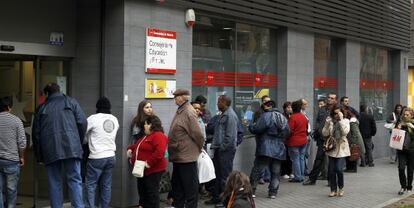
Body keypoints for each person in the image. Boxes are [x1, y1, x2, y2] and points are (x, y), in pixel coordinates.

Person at [32, 83, 87, 208]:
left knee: (54, 182)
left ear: (46, 94)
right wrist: (77, 141)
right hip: (72, 147)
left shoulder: (41, 108)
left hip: (50, 149)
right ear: (59, 90)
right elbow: (83, 122)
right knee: (75, 180)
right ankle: (78, 206)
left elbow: (36, 134)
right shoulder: (71, 102)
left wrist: (39, 155)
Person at [168, 89, 204, 208]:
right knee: (178, 188)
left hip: (186, 157)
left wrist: (198, 149)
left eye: (176, 96)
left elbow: (198, 134)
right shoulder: (181, 110)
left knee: (190, 189)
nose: (175, 99)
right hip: (179, 156)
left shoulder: (189, 111)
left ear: (183, 97)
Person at [248, 100, 290, 199]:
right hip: (279, 148)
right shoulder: (283, 118)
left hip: (265, 147)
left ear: (269, 106)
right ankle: (273, 193)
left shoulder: (266, 116)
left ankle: (251, 191)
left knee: (258, 169)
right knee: (276, 172)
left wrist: (250, 126)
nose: (264, 107)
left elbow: (257, 129)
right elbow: (287, 132)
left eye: (265, 105)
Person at [84, 97, 119, 208]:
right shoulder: (114, 119)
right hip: (111, 156)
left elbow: (82, 133)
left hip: (97, 157)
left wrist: (87, 140)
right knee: (106, 185)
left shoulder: (93, 118)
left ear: (97, 107)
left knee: (90, 185)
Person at [205, 95, 239, 206]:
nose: (217, 104)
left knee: (225, 177)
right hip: (220, 150)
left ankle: (226, 202)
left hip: (226, 151)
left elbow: (230, 136)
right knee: (218, 176)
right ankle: (217, 198)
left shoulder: (230, 115)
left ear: (224, 102)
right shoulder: (223, 114)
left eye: (219, 102)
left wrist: (222, 148)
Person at [127, 115, 168, 208]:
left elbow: (159, 152)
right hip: (143, 170)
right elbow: (137, 145)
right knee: (143, 192)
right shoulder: (147, 136)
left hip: (153, 170)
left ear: (151, 125)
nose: (144, 126)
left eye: (145, 124)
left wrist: (148, 163)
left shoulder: (158, 135)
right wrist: (130, 149)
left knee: (151, 194)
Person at [303, 92, 337, 185]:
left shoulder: (338, 110)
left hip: (332, 139)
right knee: (318, 159)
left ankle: (331, 181)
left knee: (331, 161)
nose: (330, 99)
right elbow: (318, 121)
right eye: (329, 97)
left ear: (335, 100)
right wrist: (317, 130)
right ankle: (312, 179)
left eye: (332, 98)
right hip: (322, 139)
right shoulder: (322, 109)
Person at [0, 96, 26, 208]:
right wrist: (22, 157)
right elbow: (22, 142)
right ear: (9, 107)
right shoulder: (16, 120)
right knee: (11, 190)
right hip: (11, 160)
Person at [322, 105, 350, 197]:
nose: (336, 115)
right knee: (331, 170)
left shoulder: (345, 121)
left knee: (339, 169)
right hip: (332, 147)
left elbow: (345, 132)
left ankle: (341, 188)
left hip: (341, 147)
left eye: (338, 113)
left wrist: (341, 120)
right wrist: (326, 124)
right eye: (334, 113)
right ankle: (333, 189)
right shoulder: (331, 122)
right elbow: (324, 133)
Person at [286, 100, 308, 182]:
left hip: (294, 141)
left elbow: (289, 130)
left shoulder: (292, 117)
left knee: (295, 159)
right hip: (303, 140)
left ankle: (297, 177)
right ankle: (301, 175)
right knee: (301, 158)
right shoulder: (303, 116)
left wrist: (286, 138)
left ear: (293, 108)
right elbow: (306, 128)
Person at [395, 108, 414, 195]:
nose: (405, 116)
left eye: (407, 115)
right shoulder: (400, 122)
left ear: (412, 115)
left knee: (410, 170)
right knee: (401, 168)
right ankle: (403, 186)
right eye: (404, 114)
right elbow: (394, 134)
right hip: (401, 149)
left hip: (411, 150)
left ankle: (409, 187)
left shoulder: (412, 123)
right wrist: (397, 129)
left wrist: (412, 127)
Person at [343, 108, 365, 173]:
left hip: (355, 140)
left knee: (353, 153)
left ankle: (352, 169)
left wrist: (353, 142)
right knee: (353, 154)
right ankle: (351, 168)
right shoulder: (353, 121)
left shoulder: (352, 122)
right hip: (355, 140)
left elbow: (354, 133)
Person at [280, 101, 293, 179]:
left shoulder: (292, 116)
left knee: (290, 156)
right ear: (285, 108)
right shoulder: (282, 116)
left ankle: (290, 171)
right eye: (288, 107)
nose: (290, 109)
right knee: (285, 156)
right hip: (284, 139)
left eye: (291, 107)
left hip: (290, 139)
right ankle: (284, 172)